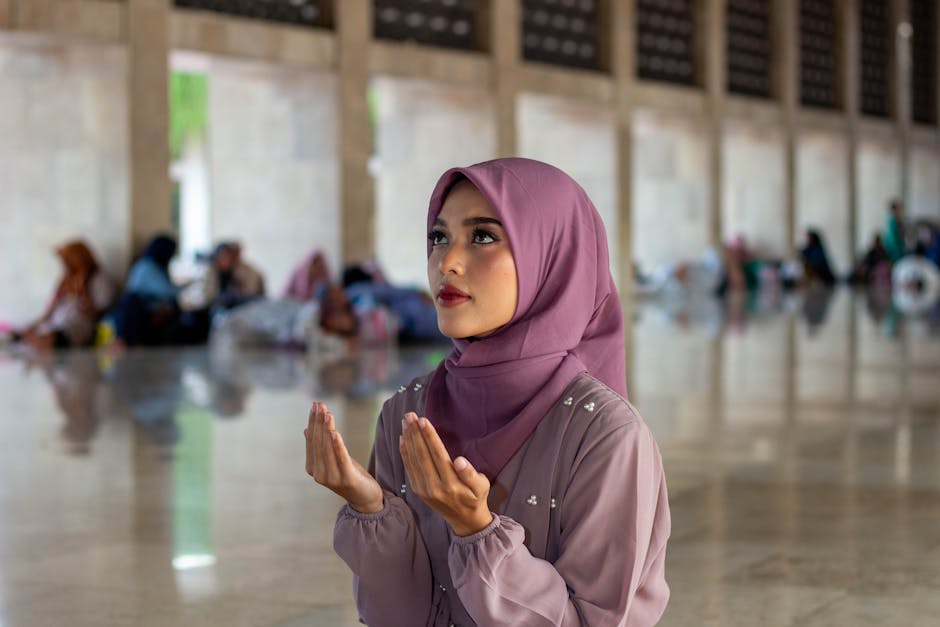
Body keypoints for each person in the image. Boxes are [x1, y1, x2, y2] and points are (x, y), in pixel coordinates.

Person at [304, 158, 670, 626]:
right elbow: (403, 617)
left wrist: (476, 529)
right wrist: (369, 506)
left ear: (552, 257)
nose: (447, 262)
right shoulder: (408, 411)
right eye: (439, 237)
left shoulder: (604, 436)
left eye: (482, 236)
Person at [13, 240, 116, 350]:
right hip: (54, 325)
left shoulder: (99, 281)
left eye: (69, 261)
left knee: (62, 333)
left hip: (77, 328)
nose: (65, 265)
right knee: (30, 334)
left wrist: (83, 293)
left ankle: (44, 341)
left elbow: (100, 313)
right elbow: (49, 313)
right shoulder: (65, 281)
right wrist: (33, 326)